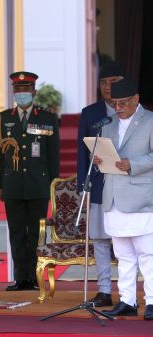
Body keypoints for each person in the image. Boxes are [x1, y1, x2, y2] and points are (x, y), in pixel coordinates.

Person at [93, 79, 153, 321]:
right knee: (124, 255)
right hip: (114, 198)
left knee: (147, 254)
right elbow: (105, 159)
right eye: (114, 103)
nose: (118, 108)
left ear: (136, 99)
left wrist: (133, 164)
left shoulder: (150, 121)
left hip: (141, 198)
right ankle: (127, 300)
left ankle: (152, 302)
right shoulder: (107, 127)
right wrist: (98, 162)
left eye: (123, 103)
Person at [0, 71, 59, 291]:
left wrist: (53, 186)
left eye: (26, 90)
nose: (22, 94)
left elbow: (52, 155)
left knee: (36, 234)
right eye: (18, 90)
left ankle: (35, 276)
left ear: (34, 92)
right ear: (14, 92)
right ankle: (21, 278)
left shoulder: (47, 119)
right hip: (12, 185)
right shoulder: (3, 118)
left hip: (38, 185)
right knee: (17, 233)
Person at [76, 61, 124, 307]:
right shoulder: (91, 113)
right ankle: (104, 290)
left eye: (113, 82)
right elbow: (81, 153)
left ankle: (128, 293)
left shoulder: (132, 112)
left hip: (126, 187)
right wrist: (81, 184)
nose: (107, 87)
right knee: (101, 240)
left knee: (126, 241)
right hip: (98, 185)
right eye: (104, 83)